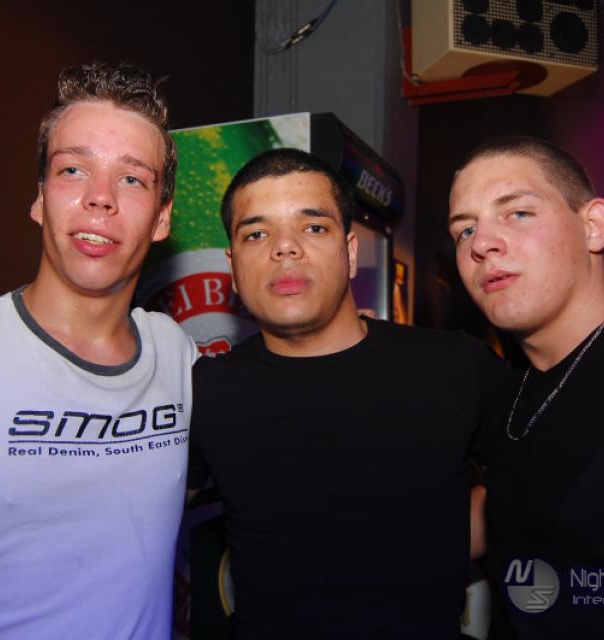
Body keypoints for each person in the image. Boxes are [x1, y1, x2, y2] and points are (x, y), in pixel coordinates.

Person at [188, 148, 512, 639]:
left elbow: (543, 482)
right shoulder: (206, 390)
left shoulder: (453, 367)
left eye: (313, 227)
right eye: (256, 234)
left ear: (351, 251)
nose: (285, 248)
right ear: (233, 266)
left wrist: (438, 539)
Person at [0, 62, 198, 639]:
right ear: (40, 198)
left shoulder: (177, 355)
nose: (100, 198)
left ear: (162, 217)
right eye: (73, 169)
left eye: (132, 179)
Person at [448, 136, 604, 639]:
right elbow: (515, 506)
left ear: (594, 225)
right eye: (465, 229)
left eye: (517, 213)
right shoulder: (514, 383)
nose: (481, 243)